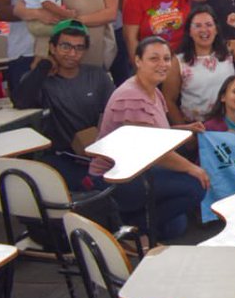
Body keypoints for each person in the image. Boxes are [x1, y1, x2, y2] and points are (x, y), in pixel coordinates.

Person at [89, 37, 209, 243]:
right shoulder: (132, 97)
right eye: (154, 59)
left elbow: (154, 133)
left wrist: (184, 129)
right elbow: (151, 150)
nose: (162, 64)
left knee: (175, 227)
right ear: (138, 61)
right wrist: (192, 168)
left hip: (141, 168)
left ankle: (132, 219)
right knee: (195, 185)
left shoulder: (152, 89)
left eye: (166, 58)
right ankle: (128, 230)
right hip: (115, 178)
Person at [12, 20, 114, 189]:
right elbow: (21, 101)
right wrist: (43, 66)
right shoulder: (42, 78)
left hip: (96, 152)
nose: (72, 53)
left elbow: (112, 114)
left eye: (79, 48)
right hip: (59, 156)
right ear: (53, 47)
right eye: (65, 46)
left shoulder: (97, 75)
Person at [163, 7, 235, 124]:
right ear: (189, 32)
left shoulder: (228, 49)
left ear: (216, 29)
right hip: (197, 127)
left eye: (209, 25)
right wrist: (186, 132)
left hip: (229, 124)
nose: (204, 30)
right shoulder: (178, 61)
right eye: (198, 26)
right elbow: (169, 100)